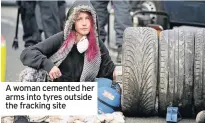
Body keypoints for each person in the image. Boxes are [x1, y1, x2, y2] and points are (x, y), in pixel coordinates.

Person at [20, 0, 115, 82]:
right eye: (79, 19)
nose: (84, 23)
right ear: (73, 22)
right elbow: (28, 53)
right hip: (57, 92)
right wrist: (49, 66)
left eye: (88, 19)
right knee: (30, 73)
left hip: (83, 95)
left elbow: (110, 71)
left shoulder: (97, 44)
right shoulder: (62, 38)